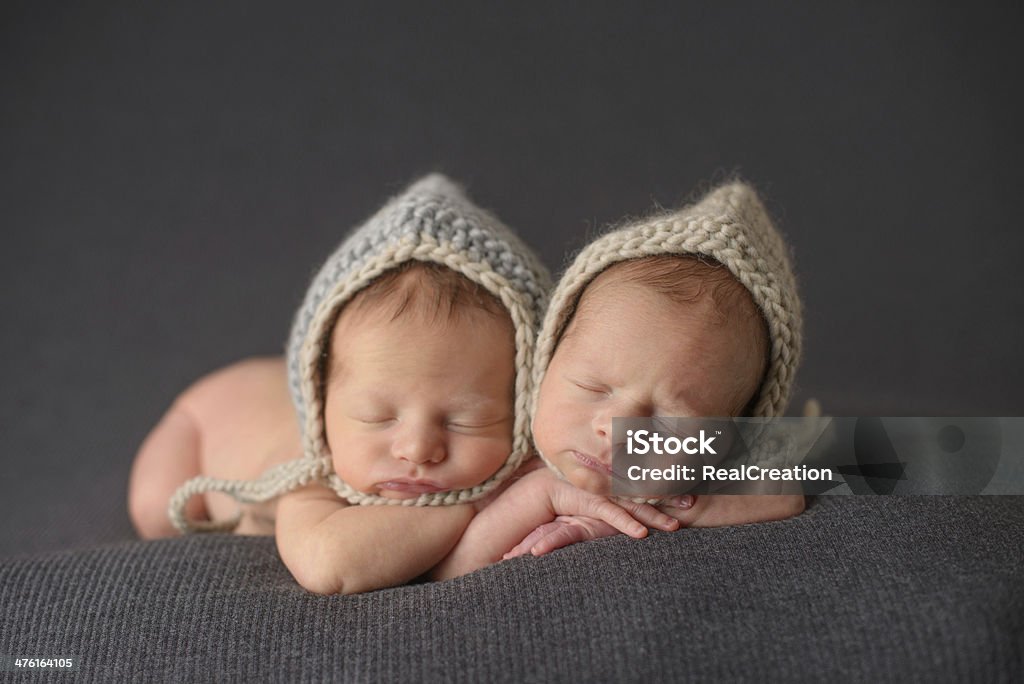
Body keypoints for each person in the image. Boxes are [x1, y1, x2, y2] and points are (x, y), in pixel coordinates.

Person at [128, 174, 677, 595]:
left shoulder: (548, 438)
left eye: (466, 419)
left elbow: (751, 470)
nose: (417, 449)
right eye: (376, 417)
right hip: (207, 414)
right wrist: (491, 504)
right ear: (320, 410)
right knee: (152, 508)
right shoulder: (313, 477)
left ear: (523, 402)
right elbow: (332, 568)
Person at [431, 181, 807, 578]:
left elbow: (785, 493)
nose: (617, 431)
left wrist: (661, 503)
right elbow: (445, 573)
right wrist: (537, 496)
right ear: (547, 362)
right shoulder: (490, 450)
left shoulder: (714, 471)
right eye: (593, 388)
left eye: (668, 420)